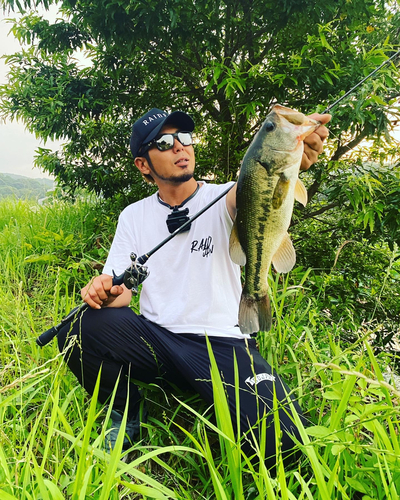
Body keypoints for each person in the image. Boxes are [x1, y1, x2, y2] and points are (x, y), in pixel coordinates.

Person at [58, 107, 331, 468]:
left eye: (184, 138)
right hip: (157, 341)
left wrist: (295, 151)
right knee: (78, 328)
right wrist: (105, 291)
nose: (179, 147)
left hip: (224, 345)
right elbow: (121, 291)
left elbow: (256, 189)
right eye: (165, 142)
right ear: (143, 165)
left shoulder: (227, 196)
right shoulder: (134, 216)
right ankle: (124, 411)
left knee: (286, 446)